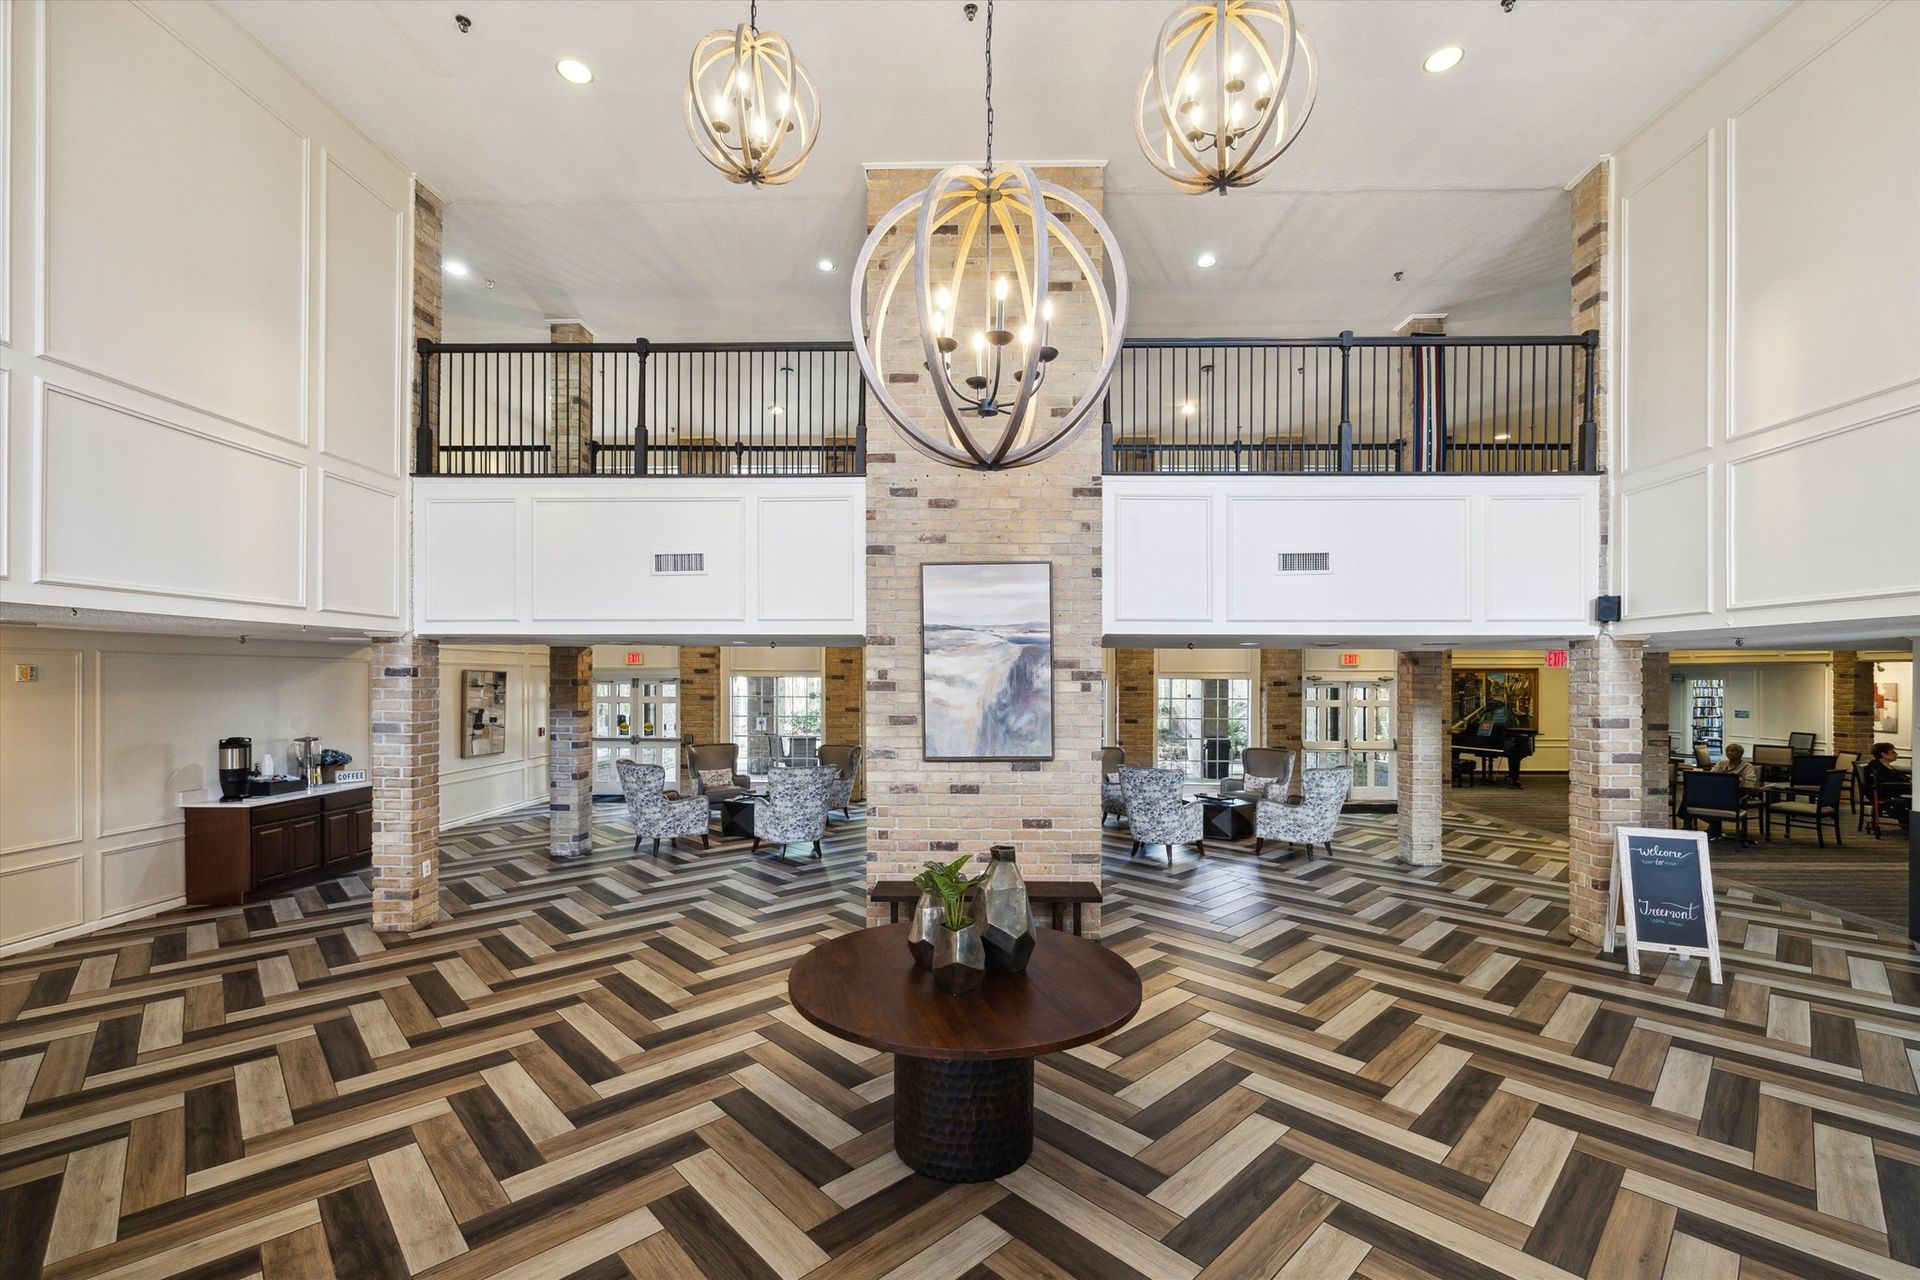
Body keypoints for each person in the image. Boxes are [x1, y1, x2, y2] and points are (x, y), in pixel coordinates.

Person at [1863, 743, 1911, 830]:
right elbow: (1887, 783)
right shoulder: (1877, 768)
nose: (1896, 754)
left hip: (1893, 791)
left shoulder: (1885, 766)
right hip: (1887, 794)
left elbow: (1899, 777)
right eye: (1892, 752)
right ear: (1883, 754)